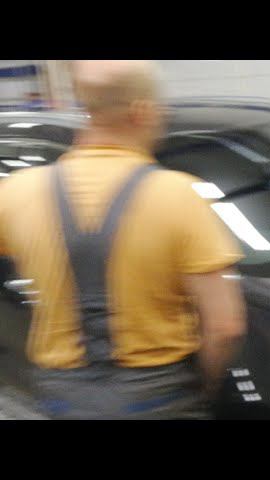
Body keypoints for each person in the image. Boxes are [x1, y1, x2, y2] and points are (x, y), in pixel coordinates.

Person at [0, 60, 247, 419]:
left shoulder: (17, 193)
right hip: (160, 400)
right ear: (141, 111)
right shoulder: (180, 196)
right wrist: (202, 389)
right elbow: (225, 327)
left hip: (65, 401)